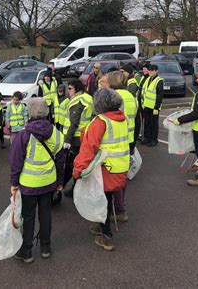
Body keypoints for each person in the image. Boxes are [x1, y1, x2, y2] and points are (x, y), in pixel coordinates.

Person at [73, 89, 130, 251]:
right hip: (120, 166)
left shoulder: (100, 122)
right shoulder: (121, 118)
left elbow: (88, 148)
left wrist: (78, 170)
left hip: (105, 168)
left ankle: (107, 237)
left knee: (102, 200)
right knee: (108, 198)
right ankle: (101, 225)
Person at [9, 98, 65, 263]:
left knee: (28, 216)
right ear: (47, 112)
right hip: (49, 181)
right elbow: (60, 160)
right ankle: (46, 247)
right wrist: (60, 182)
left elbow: (15, 162)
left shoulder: (24, 135)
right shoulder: (55, 133)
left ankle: (26, 251)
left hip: (29, 184)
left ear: (29, 113)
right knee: (46, 214)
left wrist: (14, 183)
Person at [106, 71, 138, 222]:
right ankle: (120, 208)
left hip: (116, 140)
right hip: (129, 138)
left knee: (113, 176)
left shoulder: (115, 97)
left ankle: (118, 210)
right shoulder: (130, 95)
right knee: (122, 175)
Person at [63, 79, 93, 197]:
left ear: (77, 89)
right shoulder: (86, 97)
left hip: (75, 138)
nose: (68, 91)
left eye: (70, 89)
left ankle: (74, 189)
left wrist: (67, 140)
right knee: (78, 164)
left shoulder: (78, 102)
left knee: (73, 165)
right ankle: (77, 188)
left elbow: (73, 123)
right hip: (82, 135)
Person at [141, 64, 163, 147]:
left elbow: (159, 95)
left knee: (153, 125)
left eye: (152, 70)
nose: (150, 72)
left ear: (156, 71)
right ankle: (147, 139)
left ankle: (154, 140)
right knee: (147, 124)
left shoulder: (159, 80)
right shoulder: (148, 79)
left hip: (154, 107)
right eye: (149, 70)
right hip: (147, 106)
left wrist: (156, 108)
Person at [121, 64, 141, 144]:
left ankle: (132, 144)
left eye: (123, 72)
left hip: (132, 109)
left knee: (132, 128)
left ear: (128, 73)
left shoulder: (132, 83)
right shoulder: (127, 81)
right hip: (130, 108)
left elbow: (129, 96)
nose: (121, 73)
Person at [137, 64, 150, 141]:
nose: (144, 71)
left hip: (146, 103)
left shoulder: (149, 78)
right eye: (143, 69)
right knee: (142, 120)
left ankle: (145, 136)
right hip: (140, 102)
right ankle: (142, 135)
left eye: (146, 69)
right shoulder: (142, 77)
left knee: (146, 121)